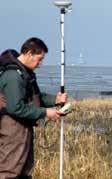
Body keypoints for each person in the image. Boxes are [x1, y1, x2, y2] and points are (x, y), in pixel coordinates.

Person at [0, 37, 68, 178]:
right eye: (39, 59)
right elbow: (15, 108)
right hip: (12, 130)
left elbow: (35, 98)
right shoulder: (13, 76)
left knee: (25, 170)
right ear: (29, 53)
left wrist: (55, 100)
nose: (40, 64)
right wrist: (45, 113)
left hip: (24, 128)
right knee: (10, 171)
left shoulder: (25, 73)